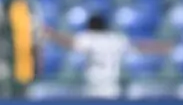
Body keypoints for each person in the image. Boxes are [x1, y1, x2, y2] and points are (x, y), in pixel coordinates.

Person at [45, 14, 173, 98]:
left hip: (93, 88)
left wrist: (52, 34)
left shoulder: (89, 38)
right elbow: (139, 46)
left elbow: (71, 43)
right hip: (113, 89)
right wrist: (162, 47)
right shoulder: (116, 39)